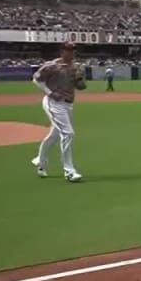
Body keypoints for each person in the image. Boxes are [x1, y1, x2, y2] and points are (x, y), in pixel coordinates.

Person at [31, 41, 86, 182]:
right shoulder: (52, 66)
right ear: (62, 51)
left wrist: (80, 80)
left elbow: (81, 87)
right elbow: (36, 79)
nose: (72, 52)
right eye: (68, 50)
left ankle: (41, 163)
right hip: (53, 103)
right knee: (68, 133)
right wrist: (49, 93)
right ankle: (69, 171)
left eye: (73, 50)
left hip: (68, 104)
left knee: (54, 135)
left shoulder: (77, 67)